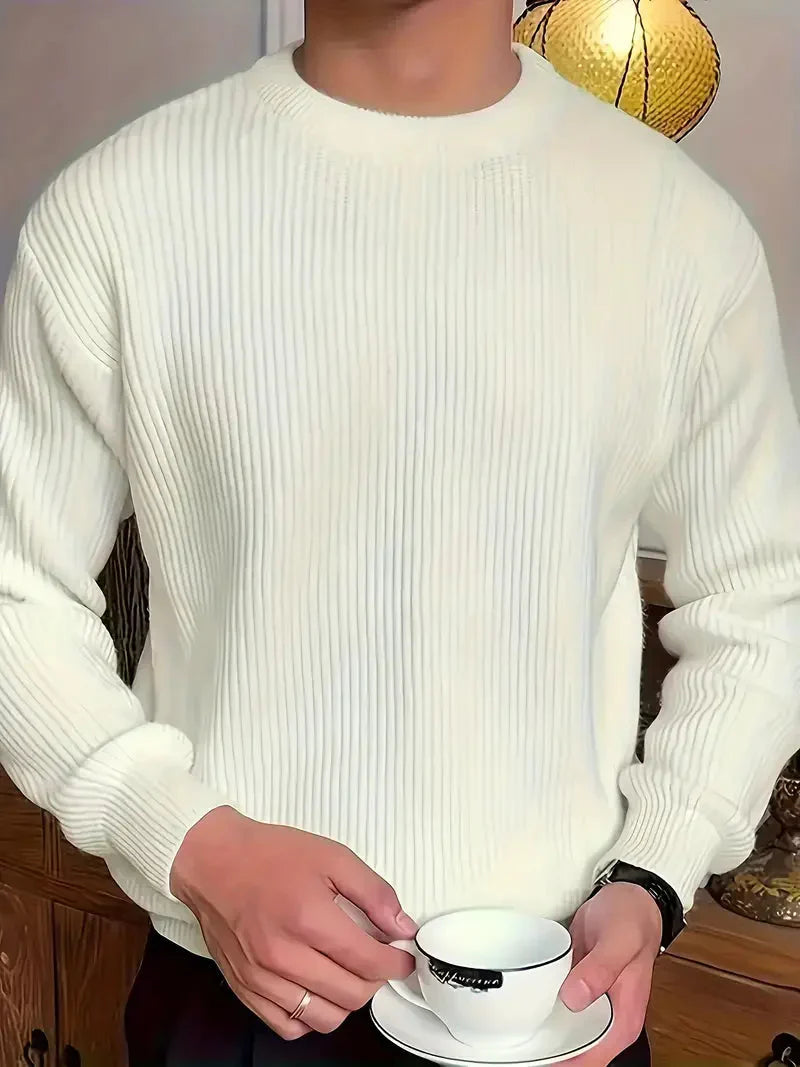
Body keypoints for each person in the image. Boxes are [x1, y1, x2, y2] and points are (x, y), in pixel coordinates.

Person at [1, 0, 799, 1063]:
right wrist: (181, 834)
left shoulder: (679, 229)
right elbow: (15, 584)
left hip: (556, 989)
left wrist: (658, 865)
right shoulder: (115, 211)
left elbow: (760, 594)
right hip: (238, 987)